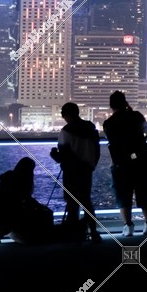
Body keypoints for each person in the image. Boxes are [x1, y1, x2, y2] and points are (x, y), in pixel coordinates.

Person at [103, 90, 147, 237]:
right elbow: (146, 129)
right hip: (142, 161)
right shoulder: (137, 116)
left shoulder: (108, 123)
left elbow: (111, 139)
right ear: (125, 102)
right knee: (145, 192)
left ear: (111, 105)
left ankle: (128, 226)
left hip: (121, 163)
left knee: (123, 194)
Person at [50, 101, 102, 243]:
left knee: (72, 202)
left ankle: (73, 235)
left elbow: (62, 156)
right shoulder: (91, 127)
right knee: (87, 201)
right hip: (86, 170)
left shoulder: (66, 131)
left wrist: (53, 153)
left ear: (66, 115)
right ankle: (94, 231)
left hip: (71, 171)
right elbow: (97, 151)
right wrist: (92, 165)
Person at [0, 157, 53, 244]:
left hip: (0, 217)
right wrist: (41, 207)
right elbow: (26, 199)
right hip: (10, 216)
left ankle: (3, 230)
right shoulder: (19, 182)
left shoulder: (8, 178)